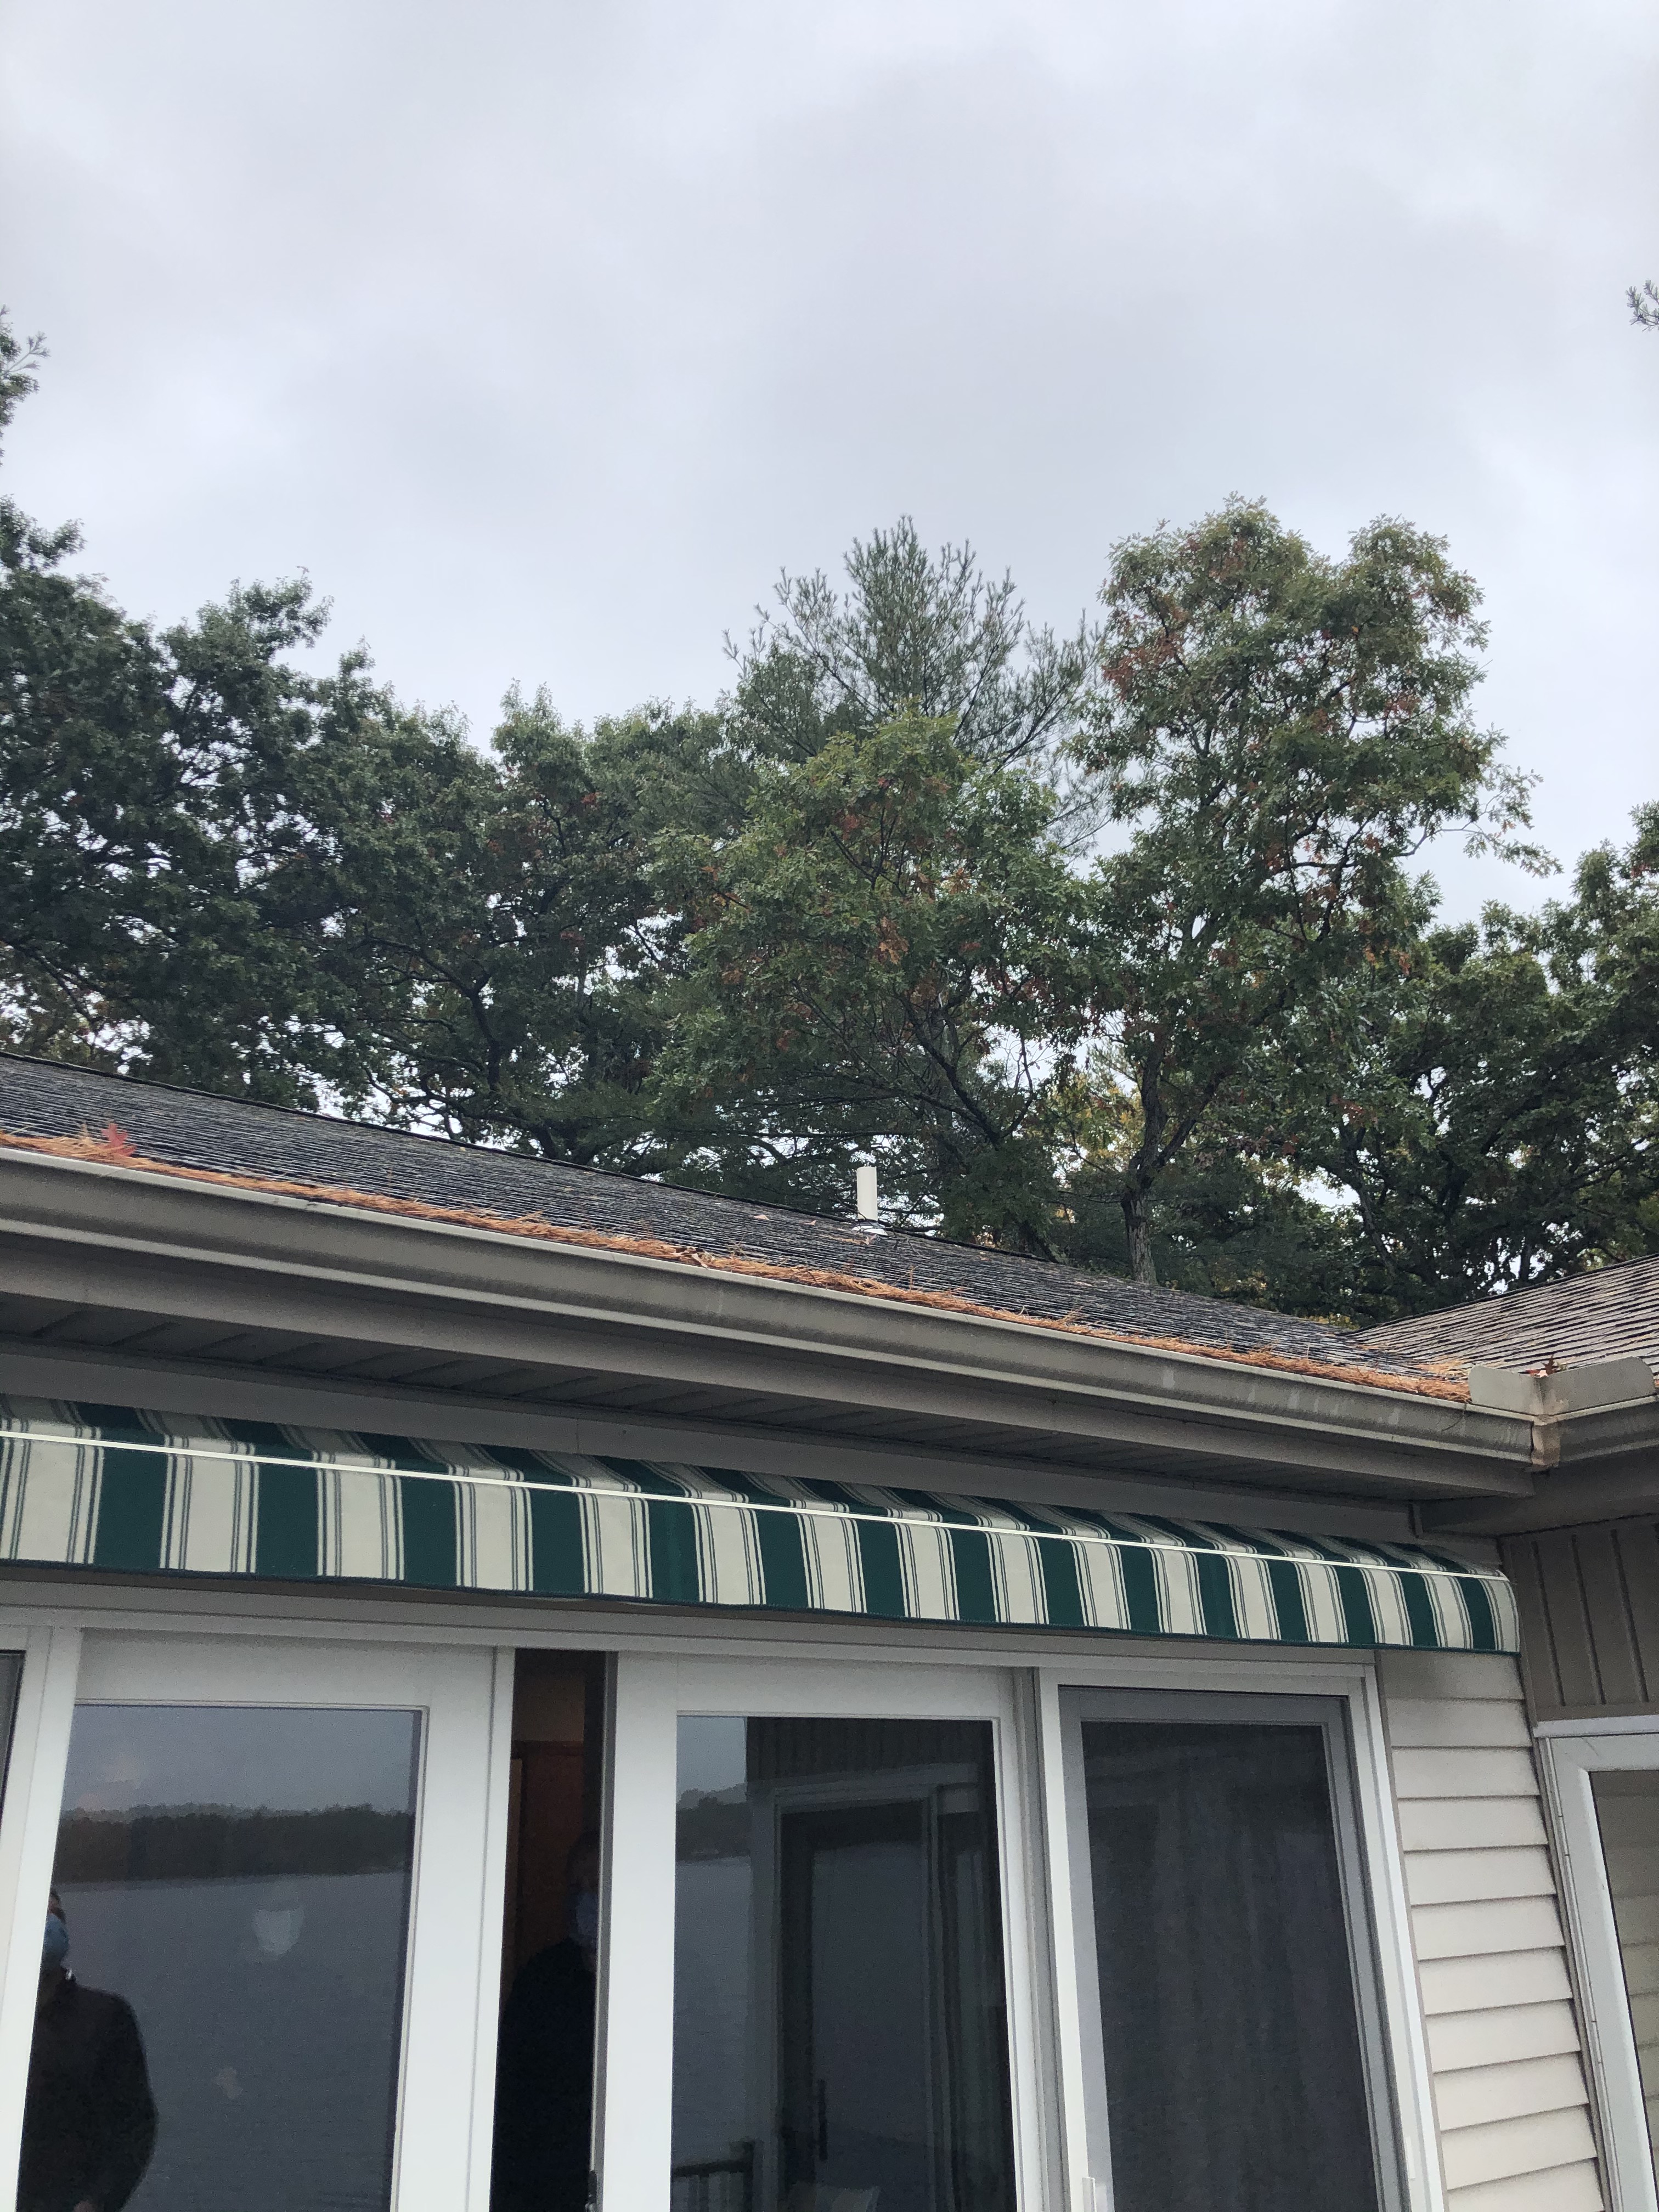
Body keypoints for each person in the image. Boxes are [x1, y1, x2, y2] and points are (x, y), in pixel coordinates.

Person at [19, 1892, 157, 2212]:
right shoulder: (10, 2023)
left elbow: (133, 2124)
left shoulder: (104, 2018)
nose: (50, 1925)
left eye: (57, 1916)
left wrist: (98, 2200)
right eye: (39, 1914)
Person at [492, 1833, 601, 2212]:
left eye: (597, 1885)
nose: (585, 1897)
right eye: (577, 1887)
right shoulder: (540, 1980)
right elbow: (507, 2097)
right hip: (543, 2189)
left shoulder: (649, 1981)